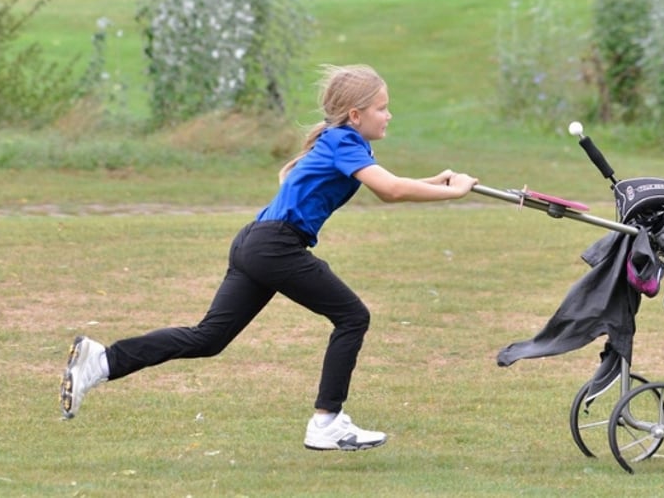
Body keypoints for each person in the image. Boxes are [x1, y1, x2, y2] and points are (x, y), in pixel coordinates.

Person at [59, 64, 478, 451]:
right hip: (275, 246)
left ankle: (103, 360)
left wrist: (435, 183)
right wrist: (454, 192)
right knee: (353, 317)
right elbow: (391, 191)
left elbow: (389, 186)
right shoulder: (345, 141)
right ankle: (327, 422)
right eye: (382, 109)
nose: (388, 116)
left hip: (255, 244)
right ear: (355, 115)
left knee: (209, 339)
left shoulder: (342, 143)